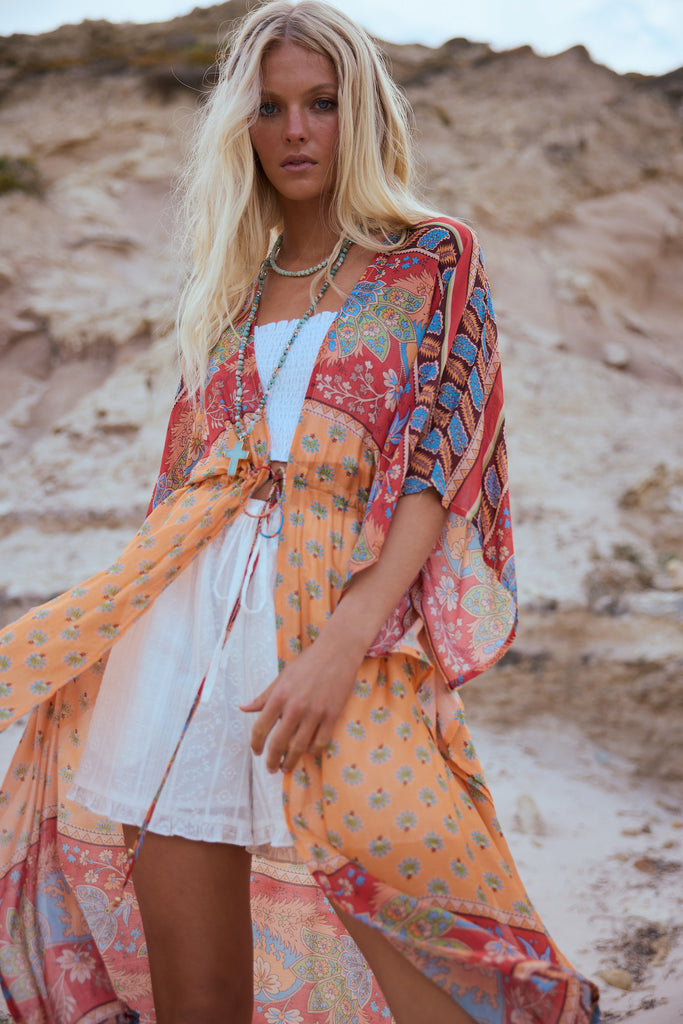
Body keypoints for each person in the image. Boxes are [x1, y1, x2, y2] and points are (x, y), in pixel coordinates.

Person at [0, 2, 601, 1022]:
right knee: (195, 993)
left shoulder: (431, 259)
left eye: (320, 103)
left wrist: (343, 640)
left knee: (434, 926)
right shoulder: (230, 288)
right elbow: (183, 484)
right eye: (270, 107)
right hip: (181, 638)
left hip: (336, 618)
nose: (294, 131)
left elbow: (435, 467)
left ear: (359, 112)